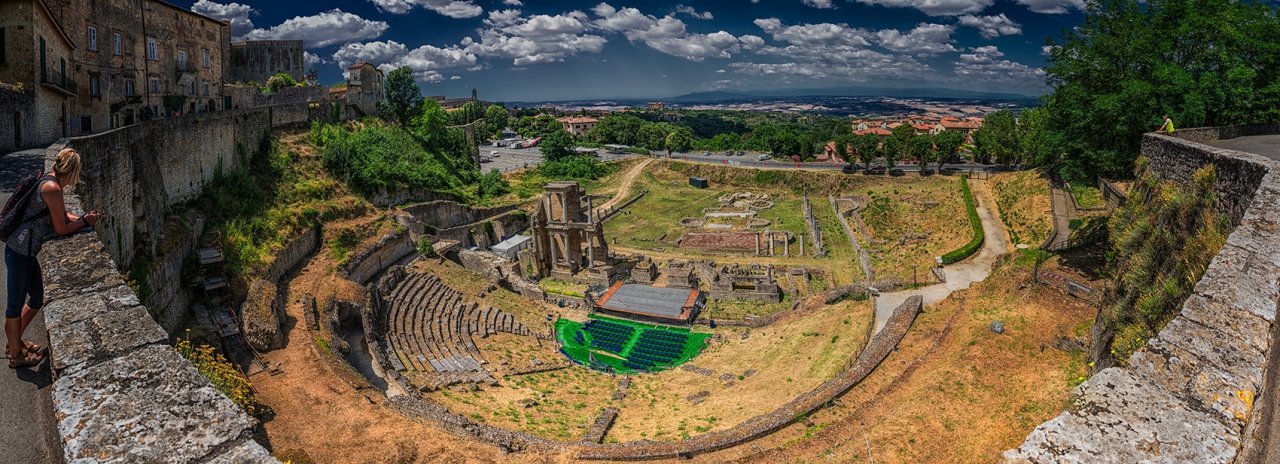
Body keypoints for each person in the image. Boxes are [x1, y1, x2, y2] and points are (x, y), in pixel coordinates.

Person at [5, 149, 99, 368]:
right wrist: (84, 223)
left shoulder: (50, 181)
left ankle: (14, 342)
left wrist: (84, 217)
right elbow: (61, 228)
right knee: (14, 306)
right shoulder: (52, 188)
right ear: (73, 171)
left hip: (25, 250)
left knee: (37, 297)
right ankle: (15, 355)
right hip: (21, 250)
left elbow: (63, 216)